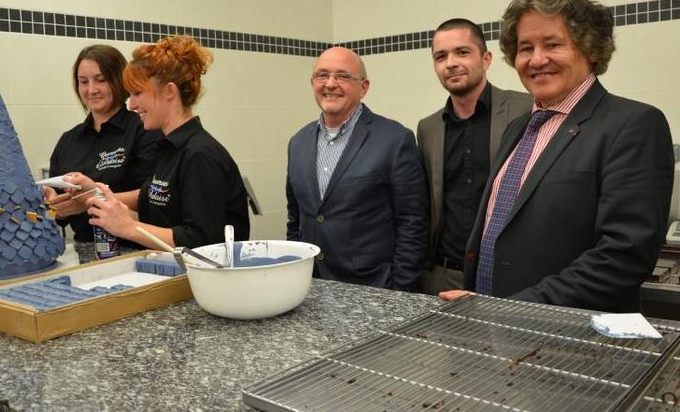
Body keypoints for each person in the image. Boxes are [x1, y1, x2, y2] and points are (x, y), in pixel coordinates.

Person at [440, 0, 674, 312]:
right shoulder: (518, 127)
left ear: (590, 49)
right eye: (525, 48)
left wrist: (513, 310)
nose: (537, 59)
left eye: (553, 44)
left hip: (570, 345)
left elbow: (624, 256)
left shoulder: (633, 125)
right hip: (494, 330)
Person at [58, 36, 250, 249]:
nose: (131, 105)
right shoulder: (169, 150)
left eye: (138, 93)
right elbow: (154, 213)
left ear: (169, 91)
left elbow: (203, 241)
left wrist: (128, 227)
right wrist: (94, 195)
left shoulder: (200, 155)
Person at [286, 46, 428, 291]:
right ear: (312, 83)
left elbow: (413, 222)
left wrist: (400, 291)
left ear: (364, 87)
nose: (330, 83)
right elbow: (295, 219)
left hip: (374, 288)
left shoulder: (394, 140)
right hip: (311, 287)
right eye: (322, 75)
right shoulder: (297, 142)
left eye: (342, 76)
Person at [416, 18, 531, 295]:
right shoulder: (428, 128)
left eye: (462, 52)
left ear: (486, 58)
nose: (451, 63)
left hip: (507, 274)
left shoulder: (525, 109)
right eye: (440, 56)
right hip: (444, 277)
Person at [46, 45, 160, 244]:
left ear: (118, 80)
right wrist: (54, 207)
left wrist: (92, 200)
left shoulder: (145, 130)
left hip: (137, 248)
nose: (91, 90)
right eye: (83, 82)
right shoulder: (68, 141)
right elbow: (55, 217)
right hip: (85, 251)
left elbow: (155, 195)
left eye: (101, 80)